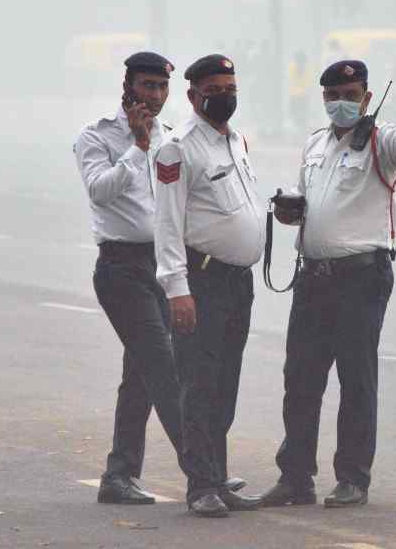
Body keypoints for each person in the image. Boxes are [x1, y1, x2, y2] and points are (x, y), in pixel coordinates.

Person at [261, 59, 396, 509]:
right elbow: (307, 200)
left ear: (368, 98)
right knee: (300, 380)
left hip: (361, 277)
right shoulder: (315, 144)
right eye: (333, 96)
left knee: (356, 379)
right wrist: (290, 212)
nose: (341, 103)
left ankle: (353, 478)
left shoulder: (381, 142)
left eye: (351, 95)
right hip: (313, 277)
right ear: (323, 98)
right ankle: (295, 478)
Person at [73, 51, 217, 507]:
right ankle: (203, 474)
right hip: (120, 269)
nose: (154, 96)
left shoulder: (171, 137)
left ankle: (118, 475)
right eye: (146, 86)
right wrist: (135, 148)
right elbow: (100, 191)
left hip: (163, 267)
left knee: (140, 376)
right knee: (164, 369)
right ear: (128, 86)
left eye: (160, 88)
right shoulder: (96, 135)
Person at [154, 54, 267, 517]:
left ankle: (218, 477)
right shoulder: (178, 148)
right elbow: (166, 222)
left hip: (237, 282)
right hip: (201, 282)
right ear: (193, 95)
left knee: (225, 385)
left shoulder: (235, 140)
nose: (225, 96)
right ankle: (200, 485)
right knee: (199, 384)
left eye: (230, 87)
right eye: (215, 89)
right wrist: (177, 288)